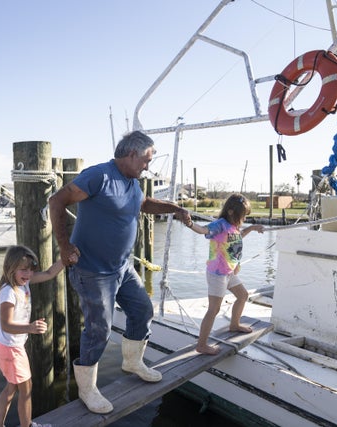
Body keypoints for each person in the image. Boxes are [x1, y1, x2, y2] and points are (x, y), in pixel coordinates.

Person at [47, 130, 193, 414]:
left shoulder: (132, 182)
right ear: (131, 154)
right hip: (92, 271)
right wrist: (64, 246)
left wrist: (175, 207)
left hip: (122, 268)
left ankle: (132, 361)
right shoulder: (99, 176)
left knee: (142, 310)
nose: (148, 166)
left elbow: (144, 204)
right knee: (99, 330)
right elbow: (56, 201)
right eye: (146, 160)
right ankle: (87, 388)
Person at [0, 246, 67, 427]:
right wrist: (30, 328)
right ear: (11, 268)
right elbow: (6, 325)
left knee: (11, 388)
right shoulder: (8, 292)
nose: (29, 273)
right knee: (26, 389)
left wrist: (65, 259)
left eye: (31, 269)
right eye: (24, 269)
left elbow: (49, 273)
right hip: (10, 349)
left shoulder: (23, 282)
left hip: (8, 346)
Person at [187, 193, 264, 355]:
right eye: (242, 216)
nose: (243, 219)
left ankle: (234, 324)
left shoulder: (234, 227)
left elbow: (237, 237)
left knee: (242, 296)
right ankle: (201, 344)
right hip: (217, 274)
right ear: (231, 212)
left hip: (229, 272)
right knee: (214, 309)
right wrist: (190, 223)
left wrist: (251, 228)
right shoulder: (220, 224)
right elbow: (202, 230)